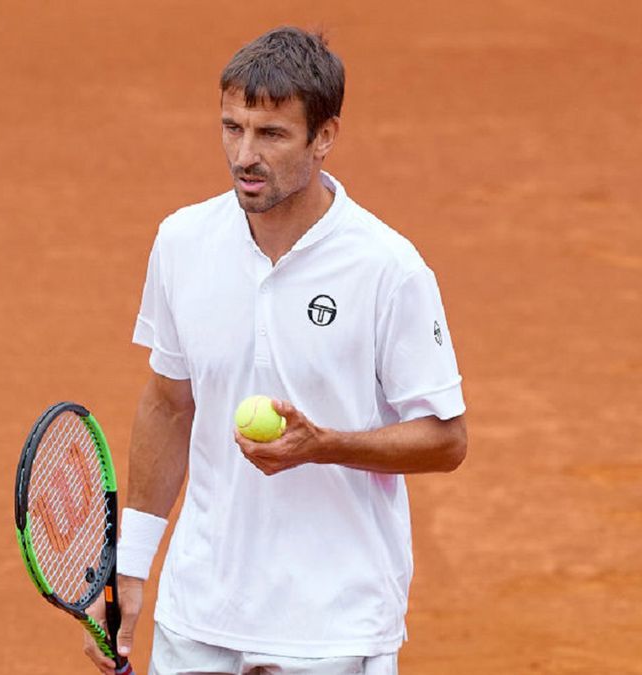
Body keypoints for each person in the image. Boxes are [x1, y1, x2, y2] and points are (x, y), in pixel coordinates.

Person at [84, 26, 468, 675]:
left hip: (332, 624)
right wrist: (132, 570)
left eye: (271, 135)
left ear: (324, 138)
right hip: (201, 609)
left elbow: (446, 439)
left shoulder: (387, 269)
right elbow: (168, 405)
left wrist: (325, 444)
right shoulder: (182, 242)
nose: (244, 155)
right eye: (232, 128)